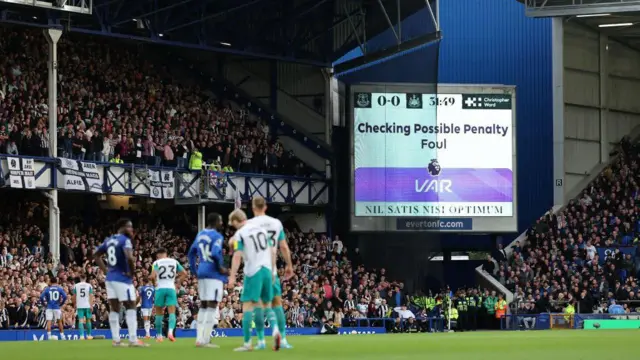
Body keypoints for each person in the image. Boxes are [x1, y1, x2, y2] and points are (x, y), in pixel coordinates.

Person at [228, 209, 280, 351]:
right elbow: (273, 251)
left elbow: (237, 255)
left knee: (247, 306)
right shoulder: (262, 230)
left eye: (233, 225)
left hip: (253, 271)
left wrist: (232, 276)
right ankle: (273, 332)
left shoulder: (240, 234)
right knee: (265, 305)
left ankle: (247, 343)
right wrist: (273, 271)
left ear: (236, 221)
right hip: (268, 270)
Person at [248, 196, 294, 349]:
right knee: (277, 303)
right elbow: (284, 247)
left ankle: (261, 341)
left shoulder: (248, 225)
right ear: (265, 207)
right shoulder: (276, 223)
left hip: (255, 271)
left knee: (259, 305)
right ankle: (284, 339)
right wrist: (289, 265)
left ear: (253, 207)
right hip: (271, 270)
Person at [94, 218, 147, 347]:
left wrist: (106, 270)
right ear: (122, 227)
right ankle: (133, 339)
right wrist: (131, 273)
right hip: (123, 279)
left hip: (110, 278)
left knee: (115, 308)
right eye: (129, 227)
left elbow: (96, 255)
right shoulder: (124, 240)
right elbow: (129, 257)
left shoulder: (109, 240)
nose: (131, 229)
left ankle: (116, 340)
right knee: (131, 306)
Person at [188, 213, 229, 348]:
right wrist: (221, 268)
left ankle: (199, 338)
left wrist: (194, 270)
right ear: (216, 222)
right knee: (212, 305)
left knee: (204, 305)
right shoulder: (216, 236)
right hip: (213, 274)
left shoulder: (200, 235)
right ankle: (205, 340)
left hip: (202, 272)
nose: (222, 224)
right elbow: (216, 252)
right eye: (220, 221)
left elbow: (191, 253)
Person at [150, 247, 187, 342]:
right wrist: (178, 282)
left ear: (158, 255)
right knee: (172, 312)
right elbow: (184, 273)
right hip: (171, 288)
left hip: (159, 289)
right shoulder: (174, 261)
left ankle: (159, 336)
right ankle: (170, 332)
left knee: (159, 313)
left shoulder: (156, 263)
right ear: (166, 254)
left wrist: (154, 282)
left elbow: (153, 276)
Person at [72, 274, 94, 340]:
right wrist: (91, 305)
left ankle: (81, 336)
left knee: (81, 320)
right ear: (86, 278)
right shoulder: (89, 285)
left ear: (80, 278)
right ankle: (89, 335)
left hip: (79, 305)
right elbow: (91, 296)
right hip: (87, 305)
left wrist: (74, 304)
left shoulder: (76, 285)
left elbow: (74, 296)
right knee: (88, 320)